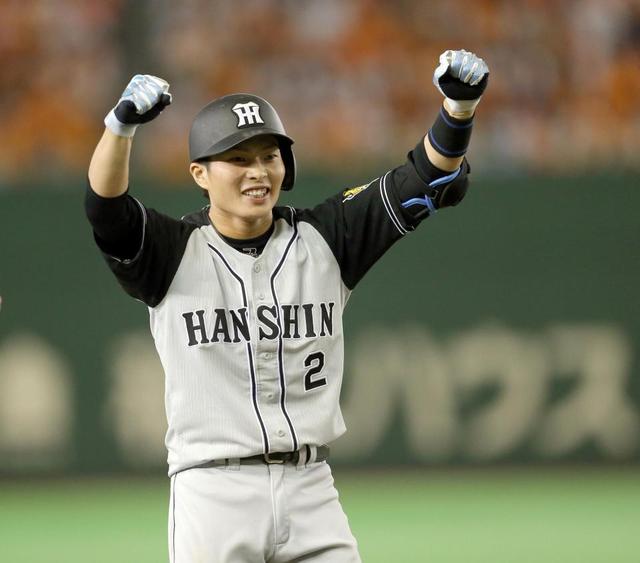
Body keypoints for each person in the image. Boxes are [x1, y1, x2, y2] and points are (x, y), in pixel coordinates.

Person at [86, 49, 489, 563]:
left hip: (310, 487)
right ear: (200, 174)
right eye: (238, 159)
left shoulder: (328, 237)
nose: (257, 171)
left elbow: (428, 178)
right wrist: (120, 127)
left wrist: (458, 109)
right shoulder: (171, 252)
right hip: (213, 492)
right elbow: (106, 209)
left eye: (268, 157)